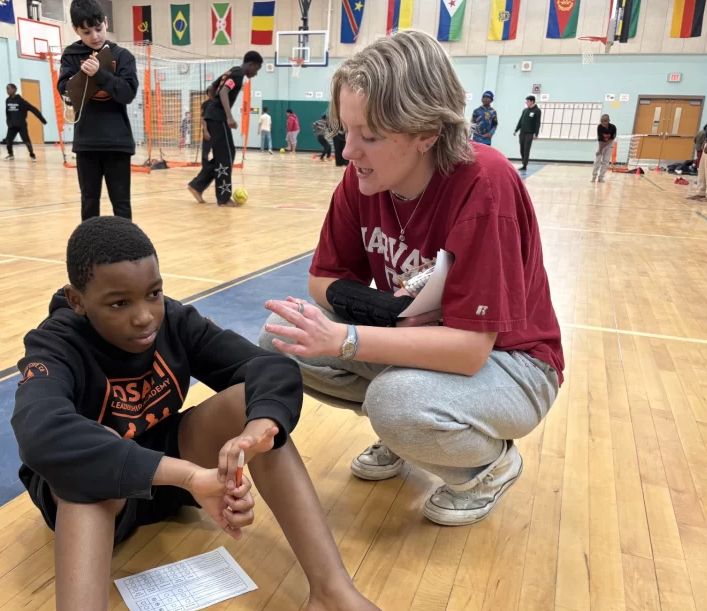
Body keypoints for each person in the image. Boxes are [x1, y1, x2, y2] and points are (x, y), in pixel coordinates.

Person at [12, 216, 444, 611]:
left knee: (252, 407)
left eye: (153, 293)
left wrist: (258, 427)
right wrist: (191, 477)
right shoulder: (55, 343)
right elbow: (42, 431)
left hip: (168, 474)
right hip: (99, 500)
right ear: (78, 301)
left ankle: (334, 595)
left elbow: (267, 369)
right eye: (118, 303)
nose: (144, 316)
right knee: (88, 454)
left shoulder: (173, 320)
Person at [258, 30, 563, 527]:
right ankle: (405, 430)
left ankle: (489, 465)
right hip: (423, 337)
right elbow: (322, 280)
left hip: (515, 362)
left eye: (370, 136)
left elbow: (469, 350)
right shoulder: (363, 179)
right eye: (346, 129)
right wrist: (388, 315)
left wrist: (351, 339)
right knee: (280, 338)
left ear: (427, 132)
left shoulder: (486, 182)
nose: (348, 150)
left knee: (393, 400)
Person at [58, 0, 138, 220]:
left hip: (118, 143)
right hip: (87, 143)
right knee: (89, 203)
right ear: (76, 30)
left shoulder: (123, 56)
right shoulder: (71, 55)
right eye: (86, 31)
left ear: (106, 22)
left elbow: (127, 94)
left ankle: (126, 252)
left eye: (98, 29)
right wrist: (81, 77)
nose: (94, 36)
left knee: (121, 206)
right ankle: (89, 253)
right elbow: (65, 92)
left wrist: (100, 75)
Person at [187, 52, 264, 206]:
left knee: (226, 155)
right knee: (226, 157)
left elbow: (212, 87)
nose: (256, 74)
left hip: (215, 117)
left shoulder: (231, 71)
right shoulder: (237, 74)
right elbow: (222, 91)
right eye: (257, 69)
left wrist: (212, 106)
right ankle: (223, 198)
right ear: (252, 64)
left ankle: (197, 185)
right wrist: (227, 116)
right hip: (219, 119)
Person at [4, 83, 47, 162]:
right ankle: (11, 155)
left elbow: (33, 109)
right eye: (6, 89)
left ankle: (32, 155)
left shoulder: (21, 101)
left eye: (8, 89)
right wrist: (8, 122)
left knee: (26, 141)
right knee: (8, 140)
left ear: (14, 89)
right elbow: (7, 112)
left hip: (21, 125)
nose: (7, 90)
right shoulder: (7, 100)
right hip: (12, 126)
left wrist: (42, 120)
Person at [513, 95, 541, 172]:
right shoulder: (525, 110)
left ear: (532, 101)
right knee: (522, 148)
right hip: (522, 132)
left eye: (528, 101)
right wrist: (516, 130)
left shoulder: (537, 110)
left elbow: (537, 123)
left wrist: (536, 133)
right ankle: (523, 163)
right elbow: (520, 120)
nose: (526, 102)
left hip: (529, 133)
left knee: (526, 149)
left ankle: (525, 165)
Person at [592, 114, 616, 183]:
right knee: (597, 160)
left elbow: (611, 139)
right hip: (601, 144)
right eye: (602, 121)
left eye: (605, 121)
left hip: (609, 144)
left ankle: (601, 177)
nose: (603, 123)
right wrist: (600, 150)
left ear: (609, 121)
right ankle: (594, 176)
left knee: (605, 161)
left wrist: (605, 145)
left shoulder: (613, 127)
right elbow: (600, 140)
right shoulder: (599, 127)